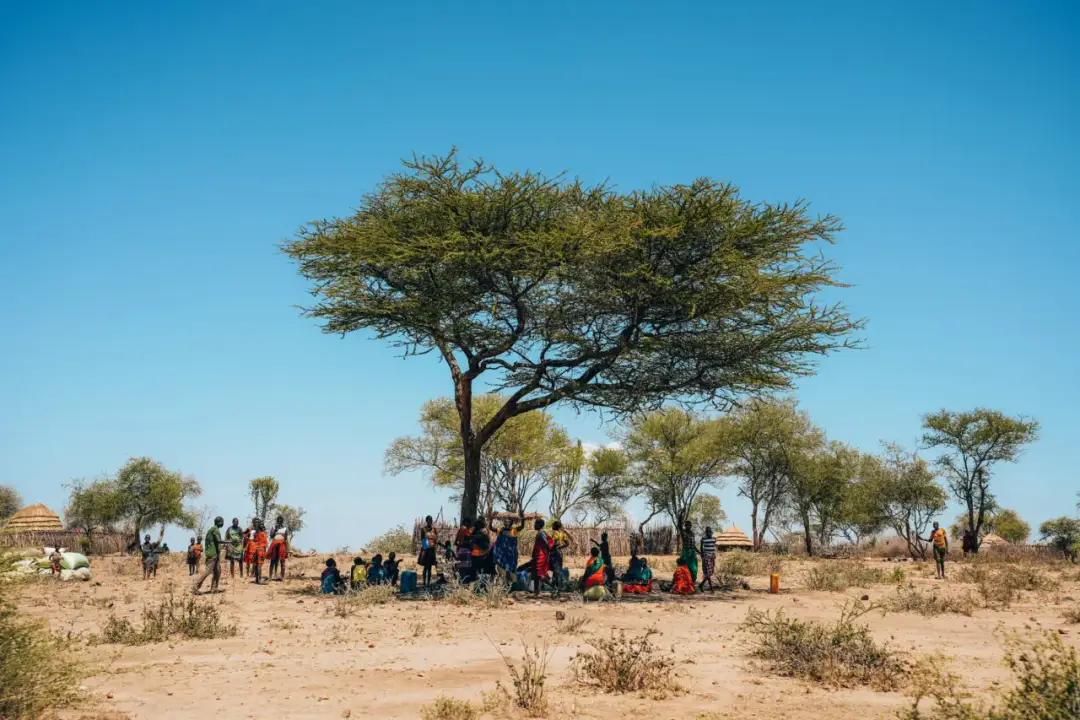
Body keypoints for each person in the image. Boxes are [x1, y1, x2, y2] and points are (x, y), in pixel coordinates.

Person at [193, 517, 225, 594]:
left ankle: (214, 588)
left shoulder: (213, 529)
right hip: (212, 554)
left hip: (215, 554)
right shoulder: (215, 529)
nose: (223, 523)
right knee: (208, 570)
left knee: (217, 571)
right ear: (219, 522)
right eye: (222, 522)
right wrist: (229, 541)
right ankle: (196, 586)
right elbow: (218, 540)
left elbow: (216, 543)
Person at [493, 515, 526, 585]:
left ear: (512, 523)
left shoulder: (514, 530)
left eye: (509, 521)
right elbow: (491, 528)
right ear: (504, 523)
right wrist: (490, 519)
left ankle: (509, 584)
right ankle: (505, 584)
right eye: (506, 521)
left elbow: (522, 526)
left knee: (510, 570)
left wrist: (522, 517)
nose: (507, 523)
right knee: (502, 570)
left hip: (511, 555)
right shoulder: (500, 530)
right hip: (502, 555)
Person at [530, 518, 552, 595]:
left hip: (540, 557)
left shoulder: (541, 533)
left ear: (540, 525)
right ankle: (536, 592)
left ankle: (555, 588)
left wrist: (548, 552)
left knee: (539, 575)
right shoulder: (543, 533)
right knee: (537, 574)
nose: (534, 525)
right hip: (540, 556)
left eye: (536, 523)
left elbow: (546, 544)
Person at [469, 517, 494, 581]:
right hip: (482, 553)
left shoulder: (476, 533)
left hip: (476, 554)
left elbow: (472, 542)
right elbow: (487, 542)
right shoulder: (483, 532)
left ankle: (475, 581)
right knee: (480, 569)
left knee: (475, 569)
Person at [418, 515, 439, 587]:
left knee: (430, 567)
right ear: (426, 521)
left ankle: (428, 583)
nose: (430, 521)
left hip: (432, 550)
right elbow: (422, 539)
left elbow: (436, 539)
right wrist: (426, 546)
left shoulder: (434, 529)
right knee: (425, 567)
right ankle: (424, 582)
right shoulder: (423, 529)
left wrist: (433, 545)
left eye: (431, 520)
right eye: (429, 520)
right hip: (425, 550)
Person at [267, 515, 289, 582]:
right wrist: (275, 530)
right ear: (276, 521)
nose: (279, 521)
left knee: (282, 560)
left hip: (282, 544)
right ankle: (270, 577)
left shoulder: (285, 529)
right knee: (273, 560)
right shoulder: (273, 527)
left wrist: (287, 549)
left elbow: (285, 539)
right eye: (278, 520)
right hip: (274, 544)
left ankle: (282, 577)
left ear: (282, 521)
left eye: (280, 520)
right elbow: (271, 536)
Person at [550, 520, 569, 594]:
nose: (552, 527)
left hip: (555, 553)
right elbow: (567, 543)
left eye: (553, 525)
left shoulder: (555, 533)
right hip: (560, 553)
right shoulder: (562, 533)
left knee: (555, 570)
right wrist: (560, 547)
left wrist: (553, 547)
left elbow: (556, 542)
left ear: (555, 526)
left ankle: (555, 588)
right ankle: (557, 587)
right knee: (558, 570)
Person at [250, 518, 269, 585]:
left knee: (257, 564)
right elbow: (265, 544)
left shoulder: (256, 533)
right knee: (259, 565)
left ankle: (257, 579)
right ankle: (260, 579)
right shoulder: (263, 533)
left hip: (256, 549)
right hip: (261, 550)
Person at [699, 526, 717, 592]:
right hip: (706, 557)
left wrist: (714, 554)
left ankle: (701, 585)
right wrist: (702, 555)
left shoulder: (714, 539)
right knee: (708, 573)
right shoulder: (703, 539)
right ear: (706, 532)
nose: (709, 532)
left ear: (711, 532)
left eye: (710, 531)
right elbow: (701, 548)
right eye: (707, 531)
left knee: (710, 572)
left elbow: (714, 547)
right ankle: (711, 589)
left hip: (712, 557)